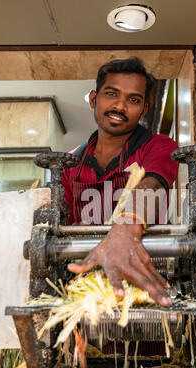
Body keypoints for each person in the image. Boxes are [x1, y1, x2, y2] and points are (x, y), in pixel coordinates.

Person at [62, 57, 179, 308]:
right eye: (111, 94)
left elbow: (153, 185)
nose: (120, 105)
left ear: (144, 109)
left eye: (133, 100)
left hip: (146, 286)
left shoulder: (158, 146)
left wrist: (126, 229)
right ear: (94, 99)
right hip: (88, 295)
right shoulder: (70, 163)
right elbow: (62, 228)